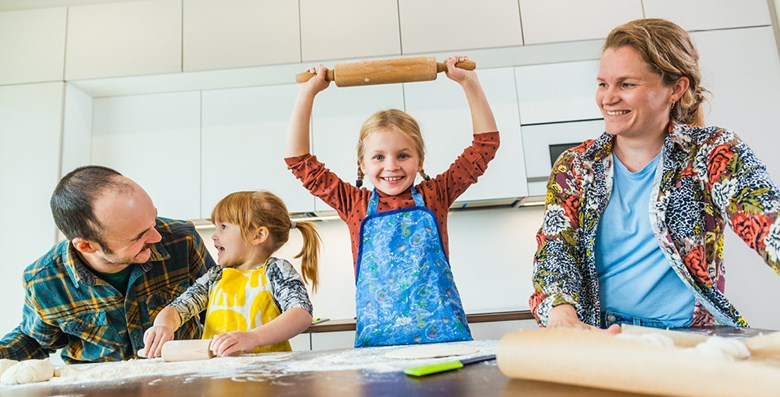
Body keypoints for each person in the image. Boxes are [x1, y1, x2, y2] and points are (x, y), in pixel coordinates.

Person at [530, 18, 780, 332]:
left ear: (676, 88)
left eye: (626, 84)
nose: (608, 98)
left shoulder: (712, 152)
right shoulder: (575, 166)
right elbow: (556, 251)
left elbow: (767, 221)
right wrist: (561, 313)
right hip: (603, 338)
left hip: (690, 339)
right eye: (603, 84)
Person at [286, 56, 499, 347]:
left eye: (403, 155)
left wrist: (469, 83)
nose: (391, 166)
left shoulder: (436, 195)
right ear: (362, 164)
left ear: (420, 159)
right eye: (378, 157)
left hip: (444, 340)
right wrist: (307, 93)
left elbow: (484, 146)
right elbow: (299, 161)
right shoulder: (354, 204)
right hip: (378, 343)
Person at [0, 166, 216, 363]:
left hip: (179, 385)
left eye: (154, 219)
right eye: (138, 236)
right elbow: (34, 341)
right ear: (86, 246)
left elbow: (219, 305)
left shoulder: (182, 240)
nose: (157, 236)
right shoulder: (45, 279)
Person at [141, 191, 320, 357]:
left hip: (269, 376)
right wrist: (163, 325)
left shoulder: (275, 271)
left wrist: (253, 338)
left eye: (223, 227)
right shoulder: (215, 277)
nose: (214, 236)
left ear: (258, 235)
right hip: (218, 378)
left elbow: (301, 314)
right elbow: (178, 308)